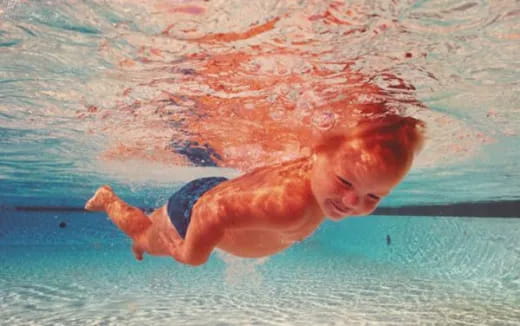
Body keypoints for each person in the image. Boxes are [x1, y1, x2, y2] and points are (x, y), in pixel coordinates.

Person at [85, 115, 425, 266]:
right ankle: (108, 200)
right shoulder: (290, 205)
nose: (352, 202)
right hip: (196, 214)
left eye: (374, 197)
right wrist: (193, 254)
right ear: (317, 154)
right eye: (345, 182)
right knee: (144, 236)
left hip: (219, 196)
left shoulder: (320, 176)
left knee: (148, 231)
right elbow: (211, 210)